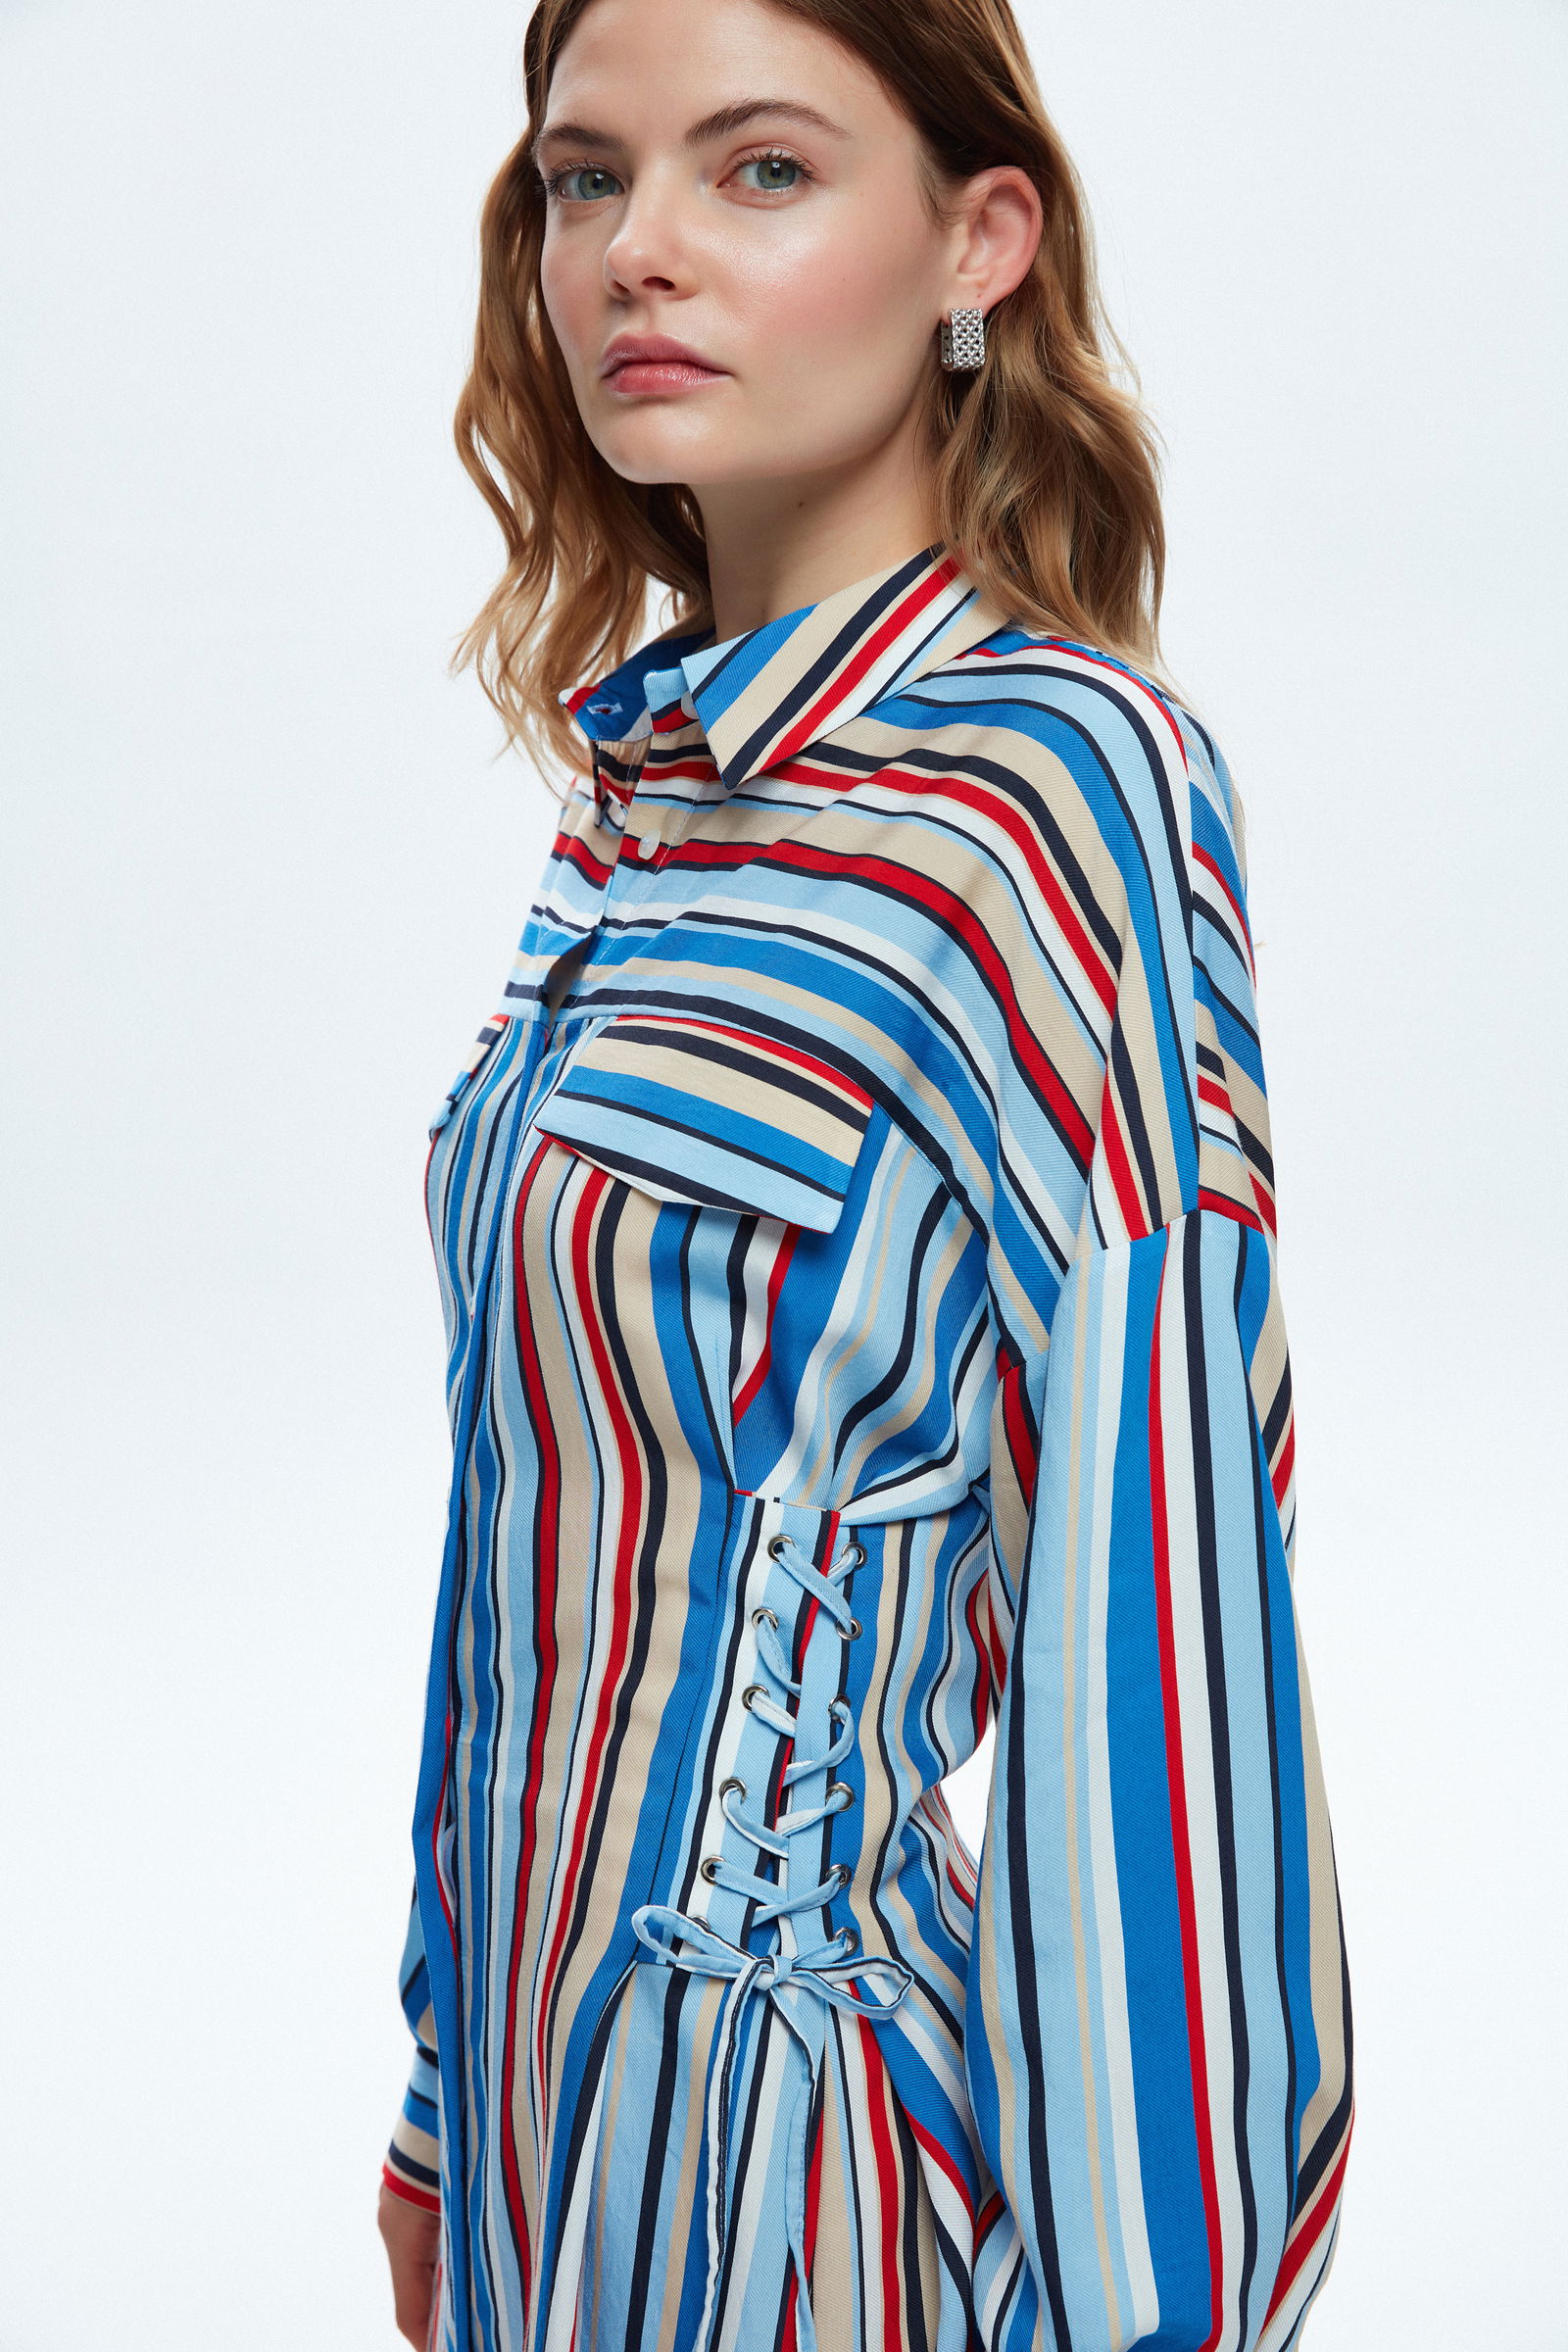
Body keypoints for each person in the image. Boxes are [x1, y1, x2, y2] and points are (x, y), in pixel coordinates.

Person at [375, 0, 1355, 2344]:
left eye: (761, 169)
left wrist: (1155, 2309)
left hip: (789, 2190)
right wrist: (439, 2103)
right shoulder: (640, 805)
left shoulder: (1061, 790)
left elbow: (1165, 1607)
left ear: (976, 241)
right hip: (535, 2158)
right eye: (584, 179)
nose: (637, 250)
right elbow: (533, 1522)